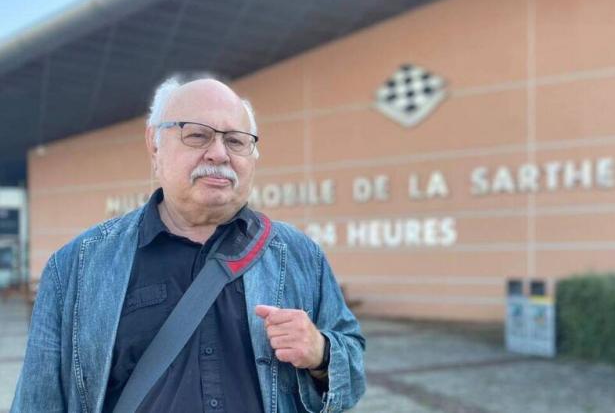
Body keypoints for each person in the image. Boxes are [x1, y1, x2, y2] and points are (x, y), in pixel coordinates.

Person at [11, 74, 366, 413]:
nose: (218, 154)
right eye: (197, 136)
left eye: (235, 140)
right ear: (154, 144)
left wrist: (321, 354)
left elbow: (353, 373)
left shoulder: (301, 255)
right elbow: (38, 402)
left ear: (252, 157)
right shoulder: (75, 266)